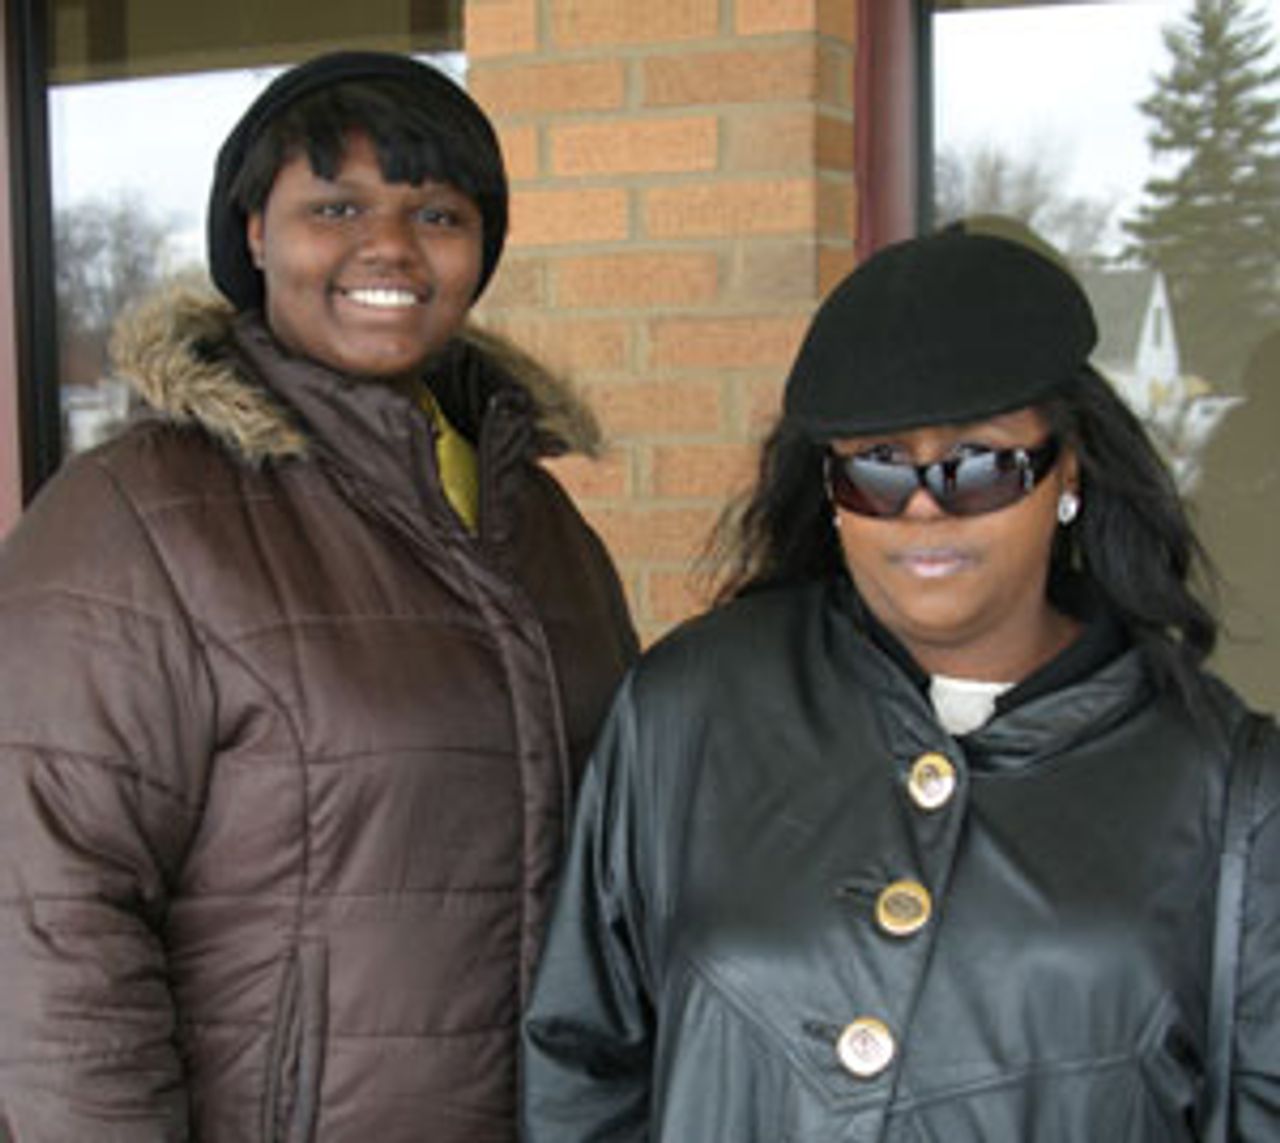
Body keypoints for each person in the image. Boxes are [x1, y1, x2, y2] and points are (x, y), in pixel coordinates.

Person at [521, 222, 1280, 1141]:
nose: (923, 508)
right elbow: (582, 1067)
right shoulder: (689, 710)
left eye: (978, 467)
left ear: (1068, 472)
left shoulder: (1223, 783)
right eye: (877, 471)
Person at [0, 50, 636, 1143]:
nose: (389, 245)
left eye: (436, 213)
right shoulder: (135, 518)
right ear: (255, 234)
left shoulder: (540, 522)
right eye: (334, 207)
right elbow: (44, 923)